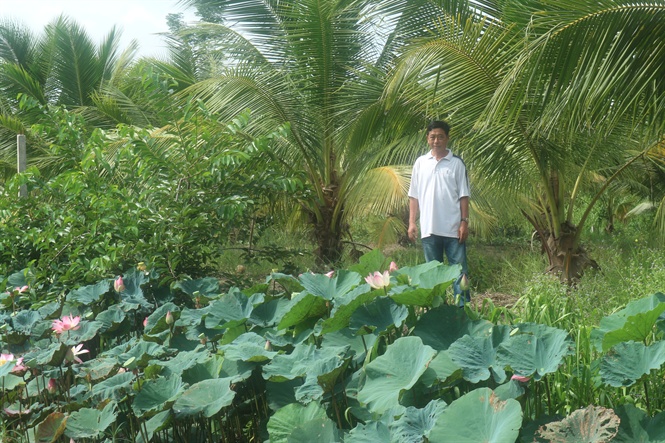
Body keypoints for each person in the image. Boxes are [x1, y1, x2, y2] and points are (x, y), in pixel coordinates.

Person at [408, 120, 471, 306]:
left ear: (447, 138)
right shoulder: (420, 163)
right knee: (433, 277)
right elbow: (414, 196)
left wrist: (464, 221)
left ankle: (463, 312)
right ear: (427, 139)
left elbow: (464, 196)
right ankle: (438, 313)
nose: (436, 140)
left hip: (453, 230)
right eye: (433, 137)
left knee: (460, 274)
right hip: (429, 229)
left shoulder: (456, 163)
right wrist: (412, 222)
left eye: (440, 136)